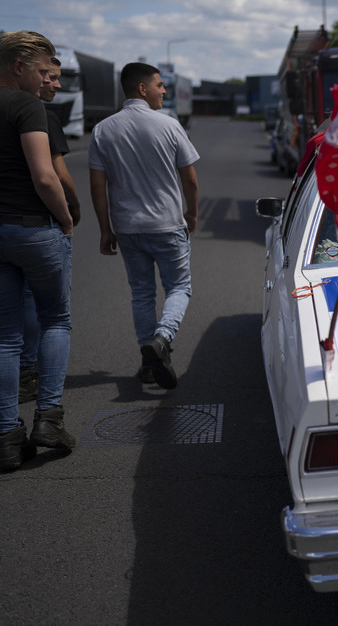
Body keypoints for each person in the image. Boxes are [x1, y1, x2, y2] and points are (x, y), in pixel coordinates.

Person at [88, 62, 199, 389]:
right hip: (167, 224)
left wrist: (105, 229)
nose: (164, 90)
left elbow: (97, 186)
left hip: (127, 228)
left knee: (141, 293)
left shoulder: (103, 130)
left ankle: (149, 363)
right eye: (159, 85)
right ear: (142, 88)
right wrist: (192, 213)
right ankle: (162, 339)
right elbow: (190, 179)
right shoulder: (169, 125)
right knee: (179, 287)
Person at [0, 30, 76, 472]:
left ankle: (7, 436)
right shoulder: (27, 105)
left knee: (5, 336)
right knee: (55, 320)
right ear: (18, 67)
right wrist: (64, 219)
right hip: (32, 227)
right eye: (43, 70)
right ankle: (48, 419)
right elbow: (45, 176)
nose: (48, 80)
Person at [20, 56, 81, 404]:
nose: (56, 85)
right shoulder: (41, 115)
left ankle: (11, 409)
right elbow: (55, 175)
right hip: (38, 224)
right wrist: (71, 209)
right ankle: (46, 406)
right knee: (51, 313)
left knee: (10, 318)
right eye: (50, 77)